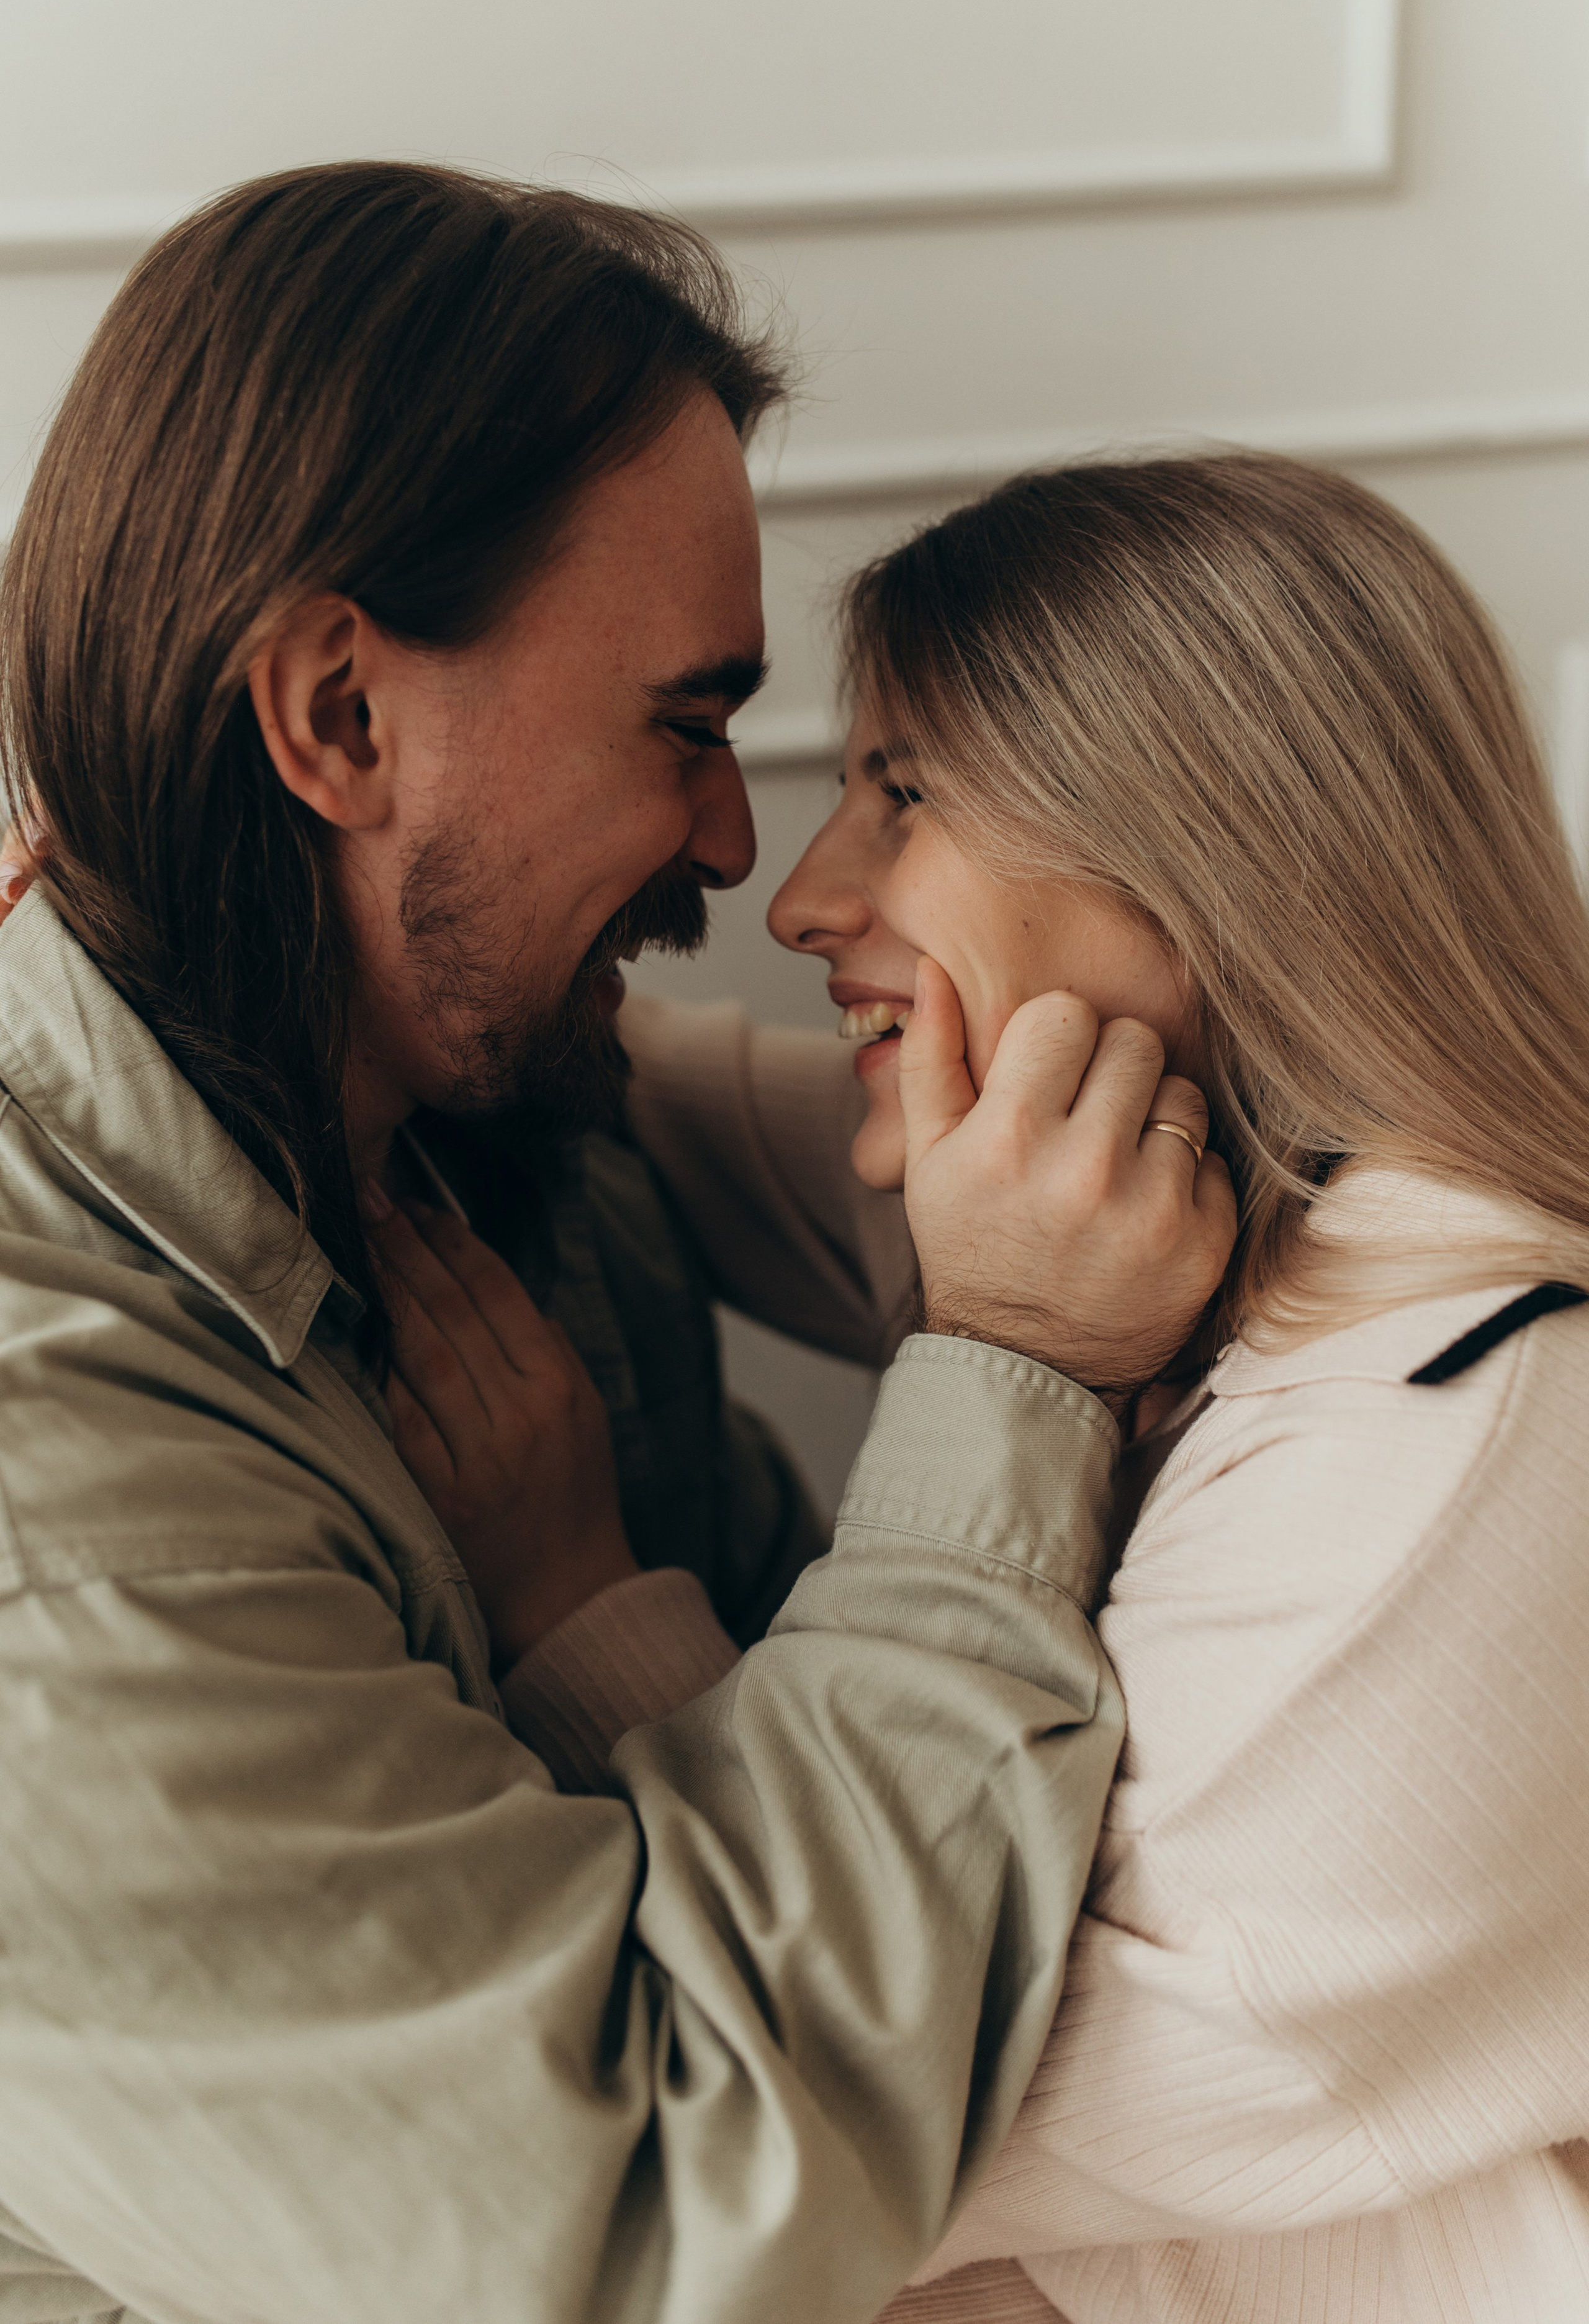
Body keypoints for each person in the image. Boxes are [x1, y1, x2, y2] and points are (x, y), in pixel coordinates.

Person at [0, 164, 1233, 2324]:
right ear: (338, 719)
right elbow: (660, 2221)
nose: (743, 848)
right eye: (685, 724)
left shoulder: (449, 1108)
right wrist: (1011, 1374)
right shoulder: (64, 1523)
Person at [529, 453, 1589, 2321]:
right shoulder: (1166, 1200)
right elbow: (643, 1083)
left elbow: (823, 2133)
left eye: (904, 794)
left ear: (1203, 853)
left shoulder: (1460, 1424)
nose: (803, 897)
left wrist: (581, 1605)